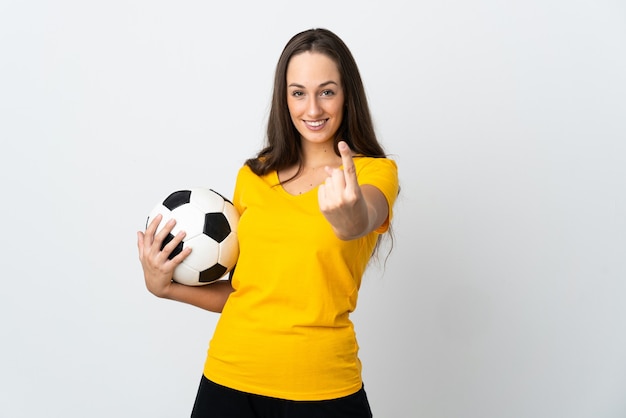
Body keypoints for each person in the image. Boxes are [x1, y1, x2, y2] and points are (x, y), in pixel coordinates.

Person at [137, 28, 399, 418]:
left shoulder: (371, 175)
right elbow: (245, 293)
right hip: (228, 381)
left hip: (323, 388)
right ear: (284, 98)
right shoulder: (252, 176)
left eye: (327, 91)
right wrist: (167, 289)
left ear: (348, 95)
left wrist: (352, 219)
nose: (313, 108)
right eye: (298, 93)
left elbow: (366, 215)